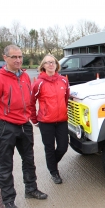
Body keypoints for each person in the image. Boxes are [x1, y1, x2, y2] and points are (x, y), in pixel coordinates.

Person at [0, 45, 47, 208]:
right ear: (5, 58)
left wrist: (30, 118)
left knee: (29, 160)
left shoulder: (25, 76)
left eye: (20, 57)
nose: (18, 60)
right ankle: (8, 199)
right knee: (5, 164)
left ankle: (31, 189)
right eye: (14, 57)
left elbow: (30, 101)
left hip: (24, 124)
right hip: (6, 126)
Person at [30, 54, 70, 184]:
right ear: (43, 66)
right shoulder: (38, 83)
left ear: (56, 64)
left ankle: (51, 163)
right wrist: (34, 119)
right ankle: (54, 172)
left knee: (63, 147)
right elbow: (31, 102)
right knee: (49, 148)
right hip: (46, 121)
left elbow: (66, 98)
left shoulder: (63, 80)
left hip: (62, 121)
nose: (50, 64)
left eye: (52, 62)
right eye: (47, 62)